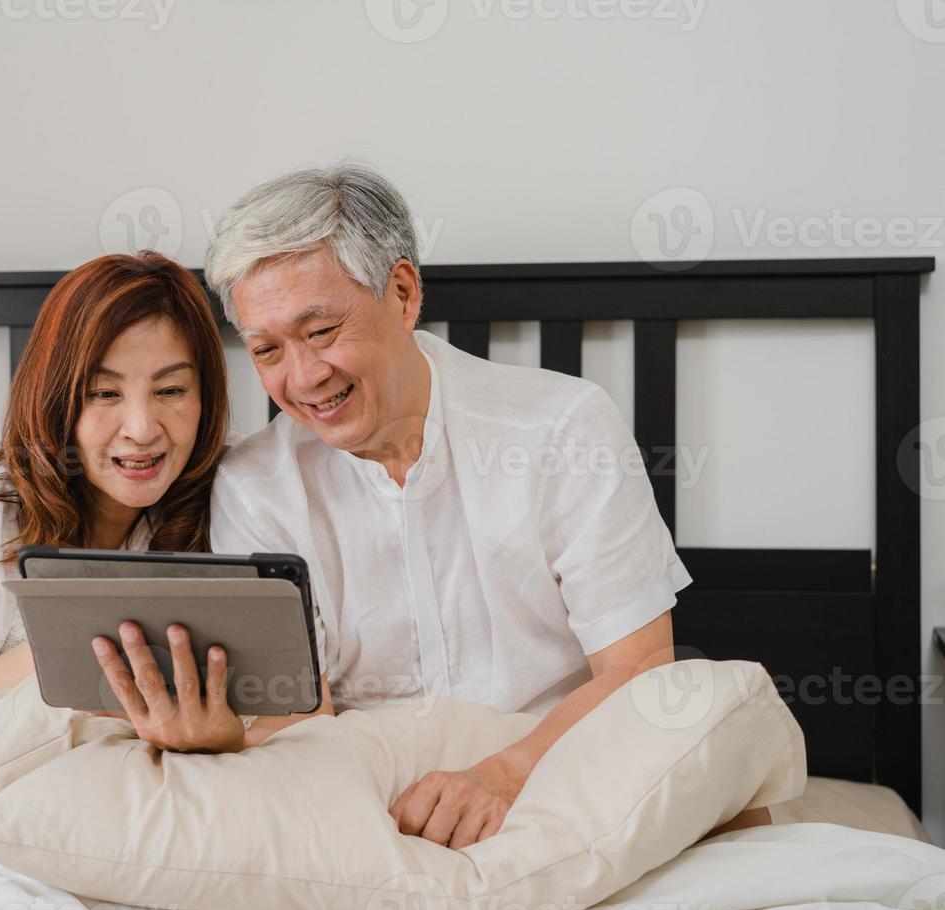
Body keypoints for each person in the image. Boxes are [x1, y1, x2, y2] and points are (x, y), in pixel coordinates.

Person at [94, 163, 768, 848]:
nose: (302, 379)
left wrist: (504, 776)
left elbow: (637, 670)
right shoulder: (255, 484)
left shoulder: (561, 429)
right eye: (267, 350)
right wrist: (224, 736)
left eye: (322, 331)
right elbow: (301, 719)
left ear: (404, 292)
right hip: (375, 806)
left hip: (561, 771)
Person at [0, 251, 332, 753]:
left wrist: (227, 741)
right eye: (104, 394)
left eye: (171, 389)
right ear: (54, 398)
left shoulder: (243, 492)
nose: (141, 430)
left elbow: (307, 712)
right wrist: (76, 646)